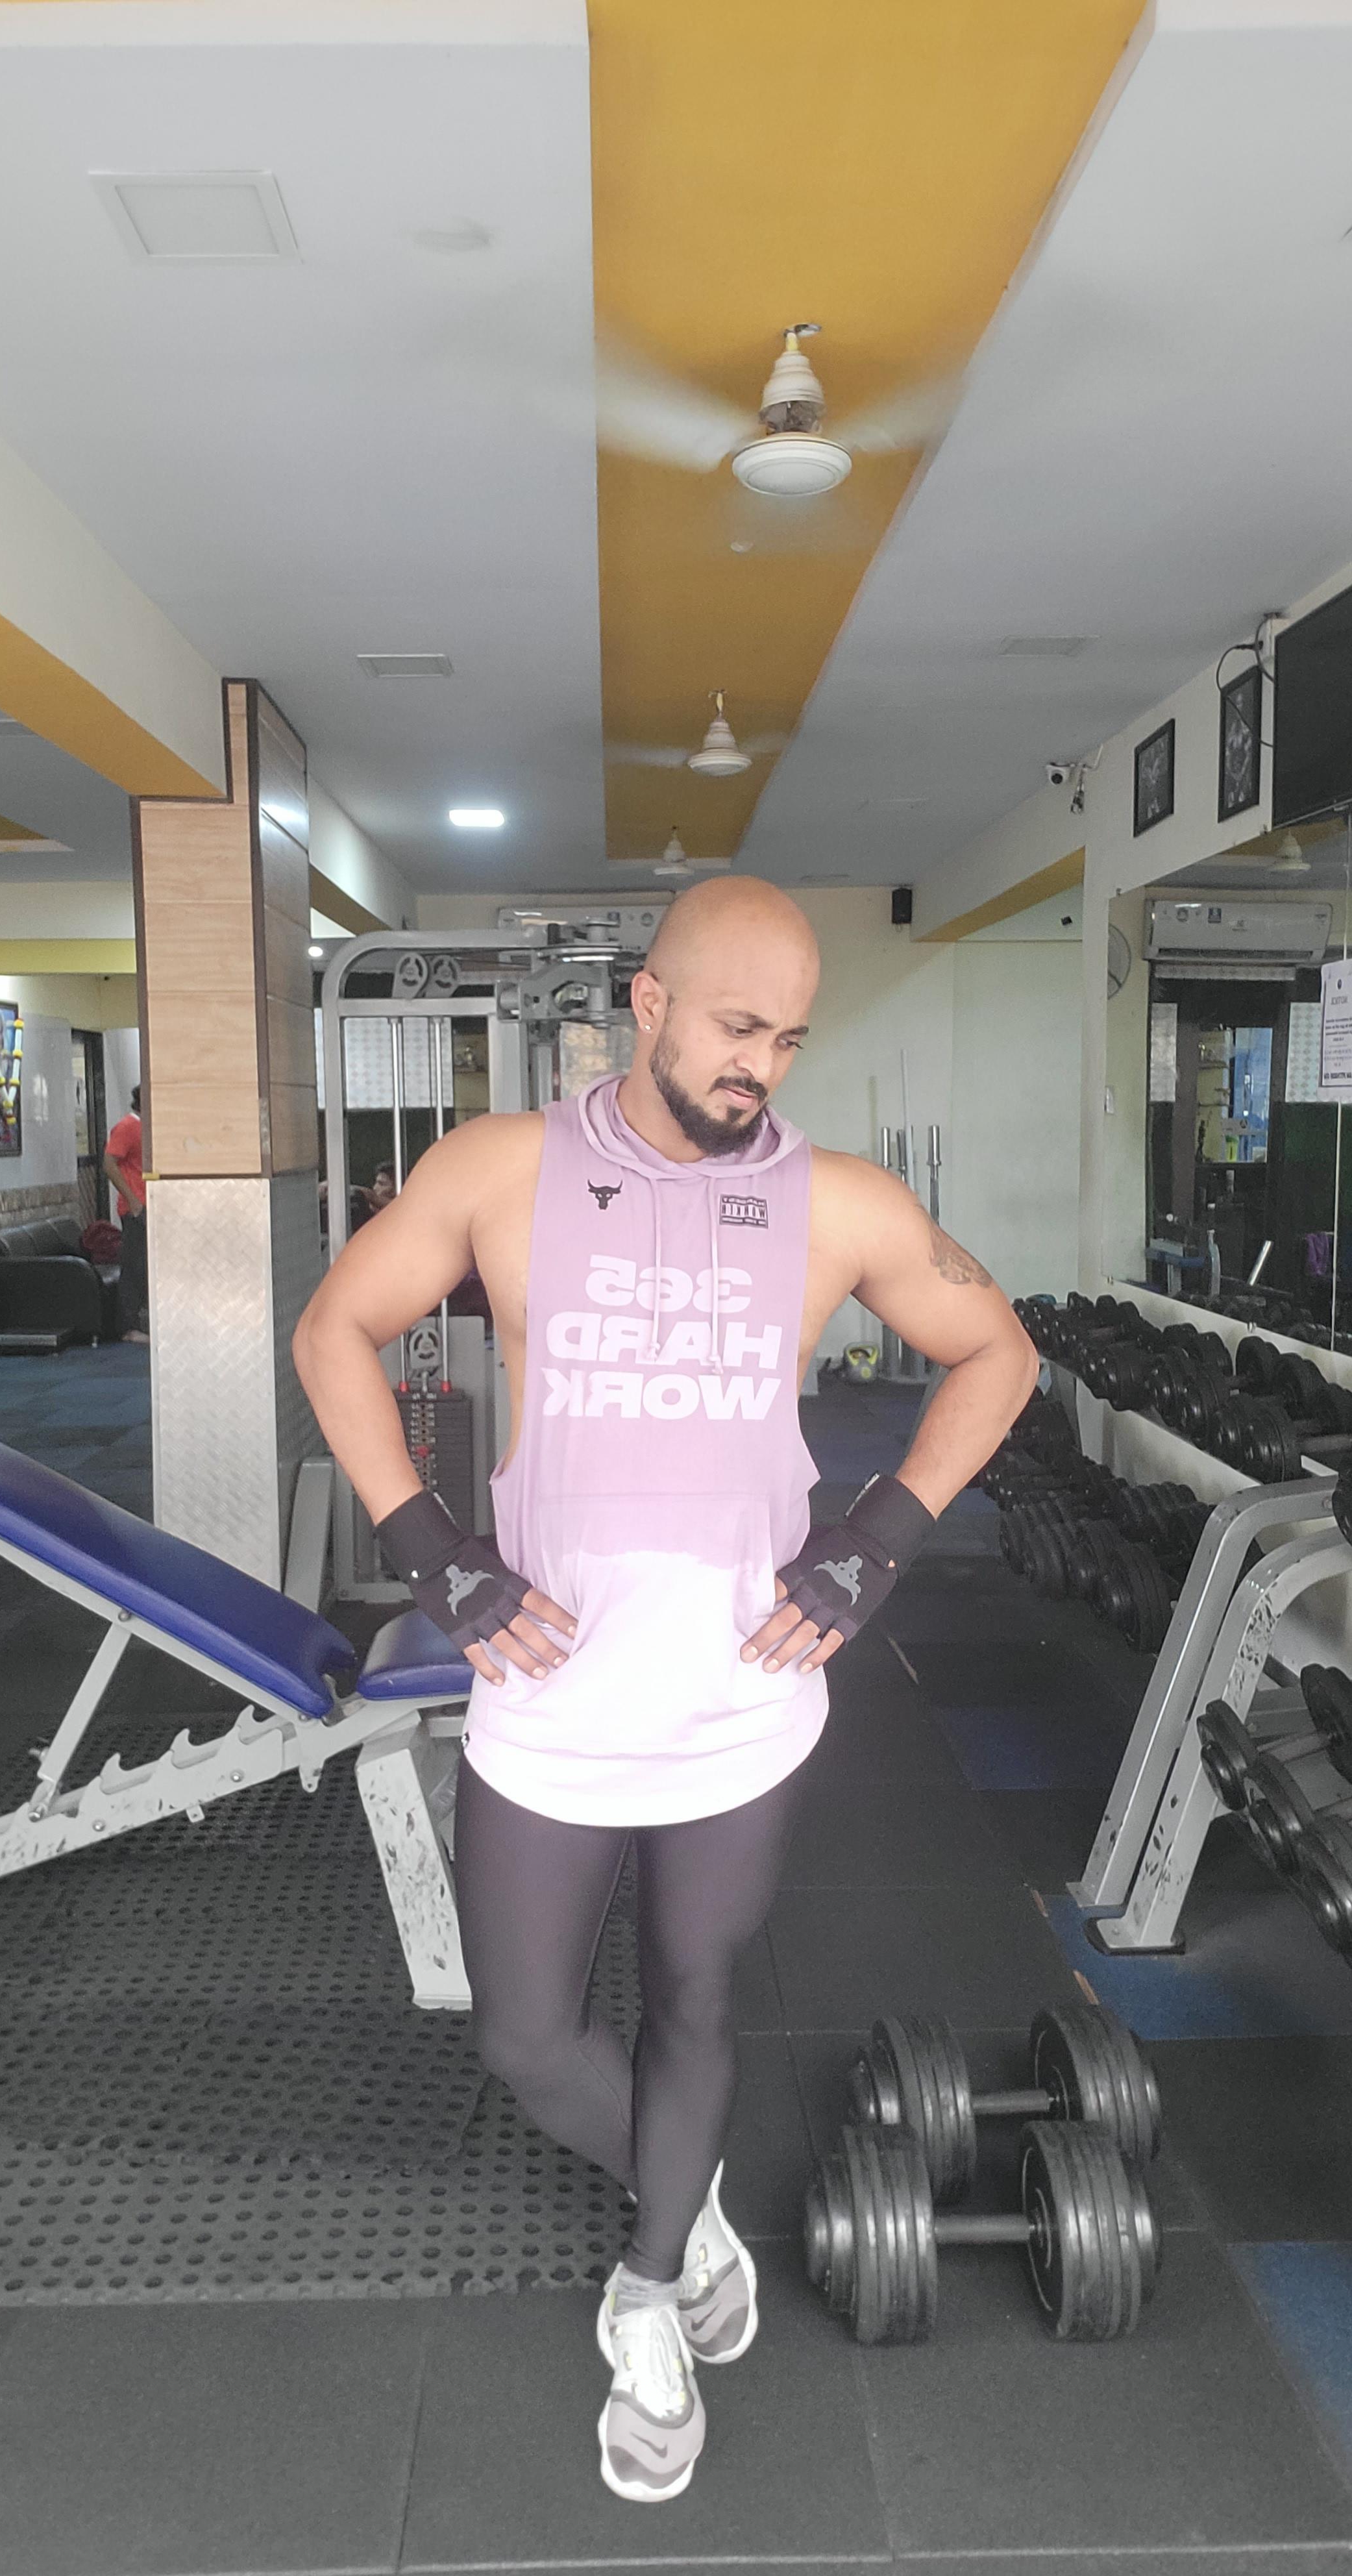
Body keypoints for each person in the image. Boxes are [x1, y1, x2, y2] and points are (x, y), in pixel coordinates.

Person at [293, 878, 1035, 2504]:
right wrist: (428, 1547)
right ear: (647, 1003)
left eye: (787, 1037)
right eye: (733, 1025)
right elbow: (337, 1325)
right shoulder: (500, 1168)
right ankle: (683, 2195)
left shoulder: (838, 1202)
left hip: (738, 1701)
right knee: (524, 2033)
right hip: (548, 1691)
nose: (758, 1062)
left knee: (696, 1998)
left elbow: (1000, 1353)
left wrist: (877, 1539)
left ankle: (649, 2283)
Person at [103, 1083, 148, 1345]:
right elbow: (109, 1164)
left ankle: (141, 1320)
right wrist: (133, 1201)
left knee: (145, 1265)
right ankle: (129, 1327)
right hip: (136, 1208)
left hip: (149, 1204)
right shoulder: (128, 1127)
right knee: (134, 1266)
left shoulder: (145, 1128)